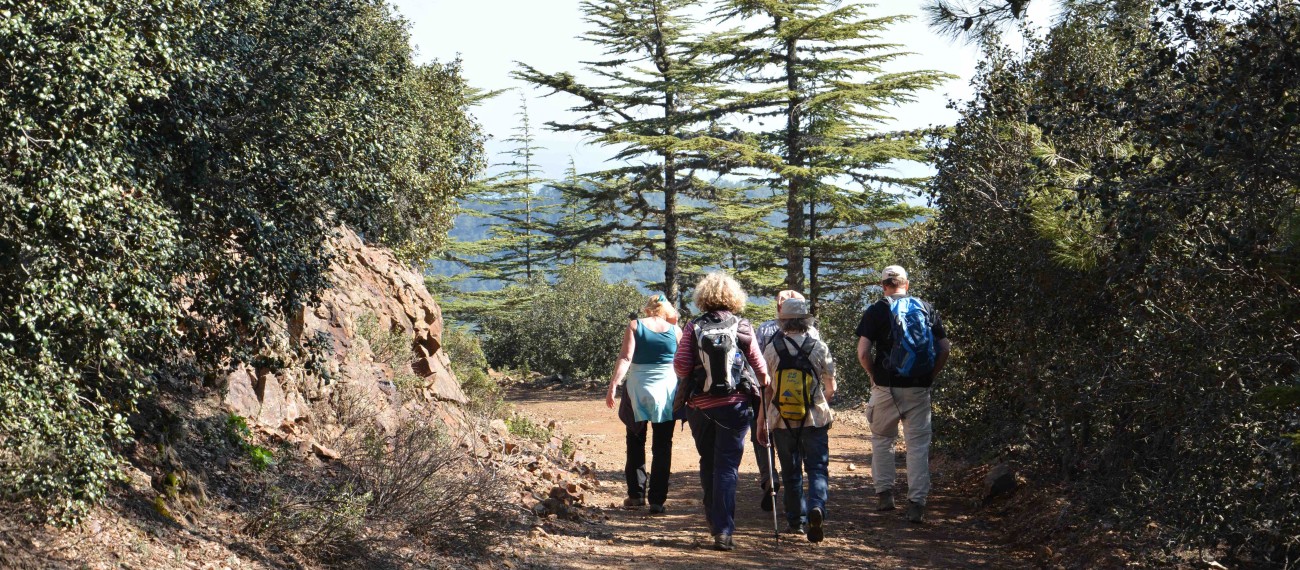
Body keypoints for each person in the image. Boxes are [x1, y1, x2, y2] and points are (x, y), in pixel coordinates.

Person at [673, 272, 769, 551]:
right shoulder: (742, 326)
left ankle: (713, 517)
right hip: (735, 407)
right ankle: (724, 530)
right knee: (727, 466)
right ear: (734, 297)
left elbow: (680, 367)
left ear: (703, 297)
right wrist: (762, 386)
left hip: (700, 407)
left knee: (707, 460)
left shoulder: (693, 327)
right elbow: (761, 371)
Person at [855, 265, 951, 523]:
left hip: (886, 387)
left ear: (883, 285)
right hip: (919, 387)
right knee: (917, 447)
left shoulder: (877, 310)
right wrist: (930, 376)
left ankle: (885, 495)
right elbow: (944, 348)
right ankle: (917, 504)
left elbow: (863, 352)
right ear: (906, 284)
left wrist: (874, 375)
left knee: (882, 440)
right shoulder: (925, 308)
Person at [763, 298, 836, 543]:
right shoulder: (819, 347)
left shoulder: (772, 348)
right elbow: (830, 386)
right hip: (814, 418)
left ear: (782, 322)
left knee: (791, 472)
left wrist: (762, 420)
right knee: (817, 468)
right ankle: (817, 507)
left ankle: (797, 522)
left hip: (782, 420)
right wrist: (820, 401)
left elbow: (768, 389)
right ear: (806, 320)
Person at [606, 294, 682, 514]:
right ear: (667, 309)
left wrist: (614, 384)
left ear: (648, 309)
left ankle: (636, 495)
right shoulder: (675, 331)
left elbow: (626, 357)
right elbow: (683, 360)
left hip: (638, 388)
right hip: (667, 389)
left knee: (635, 440)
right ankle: (657, 500)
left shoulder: (635, 325)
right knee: (663, 445)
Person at [752, 290, 822, 512]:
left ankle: (770, 478)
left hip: (774, 401)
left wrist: (763, 412)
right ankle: (813, 506)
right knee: (810, 457)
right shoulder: (814, 336)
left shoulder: (765, 330)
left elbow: (760, 370)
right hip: (809, 406)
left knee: (765, 440)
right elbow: (824, 375)